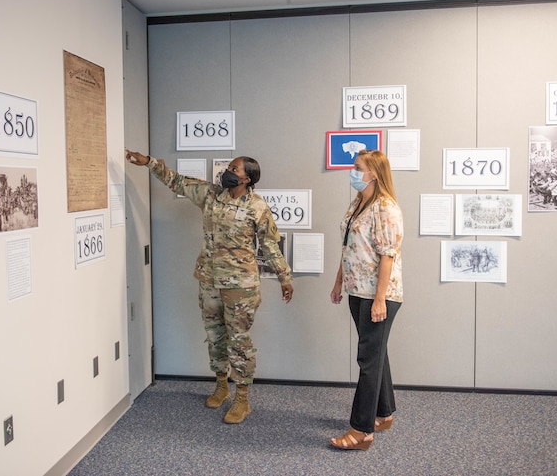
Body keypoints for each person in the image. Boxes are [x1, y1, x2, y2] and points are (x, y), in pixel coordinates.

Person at [125, 148, 293, 424]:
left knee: (239, 341)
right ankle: (221, 384)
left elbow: (270, 245)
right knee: (215, 337)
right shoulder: (211, 194)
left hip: (240, 285)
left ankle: (242, 398)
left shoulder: (257, 207)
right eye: (229, 167)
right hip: (209, 280)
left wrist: (284, 277)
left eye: (234, 169)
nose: (228, 171)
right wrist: (149, 163)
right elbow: (177, 181)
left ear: (247, 179)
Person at [329, 149, 403, 451]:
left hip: (378, 294)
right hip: (356, 290)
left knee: (367, 360)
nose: (353, 171)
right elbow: (349, 248)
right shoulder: (359, 203)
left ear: (373, 173)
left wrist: (380, 299)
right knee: (375, 352)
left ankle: (361, 431)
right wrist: (338, 283)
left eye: (358, 167)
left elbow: (388, 255)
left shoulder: (387, 207)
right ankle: (383, 414)